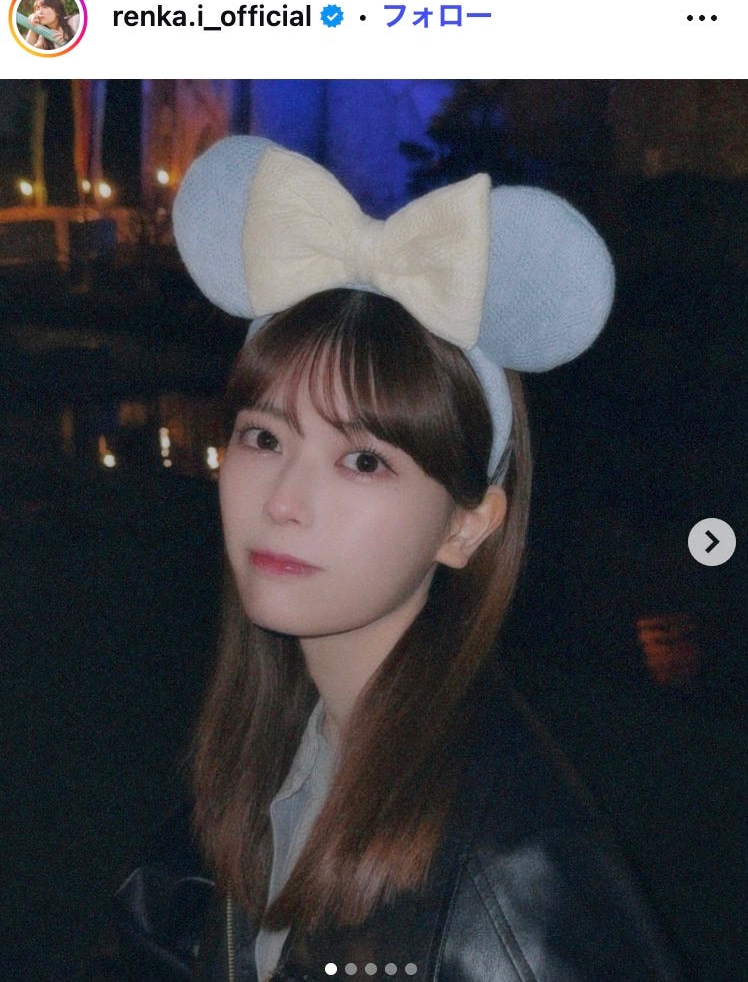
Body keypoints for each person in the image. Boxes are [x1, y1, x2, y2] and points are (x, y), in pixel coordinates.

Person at [101, 137, 682, 980]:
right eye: (265, 438)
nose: (284, 501)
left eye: (364, 460)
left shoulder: (515, 881)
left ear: (466, 527)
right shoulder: (283, 745)